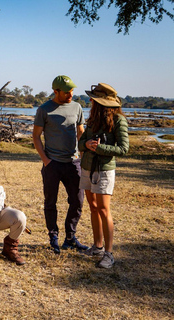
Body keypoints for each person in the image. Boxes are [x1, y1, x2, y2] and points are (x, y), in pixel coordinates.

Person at [32, 75, 88, 254]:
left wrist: (84, 157)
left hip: (73, 163)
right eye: (66, 92)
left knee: (78, 201)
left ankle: (70, 238)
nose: (70, 94)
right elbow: (36, 136)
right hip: (52, 164)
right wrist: (46, 161)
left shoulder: (77, 107)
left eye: (72, 91)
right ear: (56, 91)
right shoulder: (44, 109)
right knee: (50, 202)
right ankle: (53, 237)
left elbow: (81, 134)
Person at [78, 83, 129, 268]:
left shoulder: (118, 121)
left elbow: (123, 149)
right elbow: (81, 142)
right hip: (87, 167)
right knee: (93, 207)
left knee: (104, 209)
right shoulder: (92, 119)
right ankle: (97, 246)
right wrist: (87, 144)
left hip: (105, 169)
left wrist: (99, 147)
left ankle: (109, 254)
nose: (90, 101)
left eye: (93, 99)